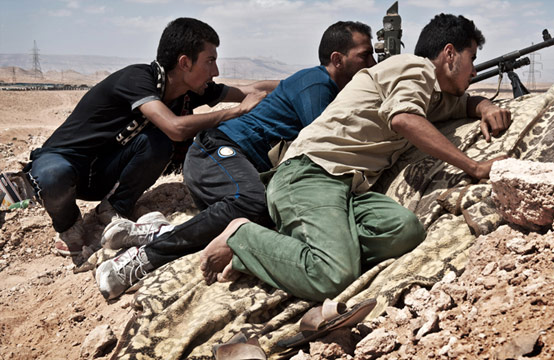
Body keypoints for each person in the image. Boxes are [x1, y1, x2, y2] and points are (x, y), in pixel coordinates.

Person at [195, 13, 512, 302]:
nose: (473, 70)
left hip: (348, 188)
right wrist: (475, 167)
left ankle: (281, 249)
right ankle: (243, 236)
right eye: (472, 59)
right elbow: (404, 118)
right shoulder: (415, 70)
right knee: (333, 278)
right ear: (449, 54)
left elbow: (465, 104)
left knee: (405, 230)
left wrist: (485, 106)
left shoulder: (434, 94)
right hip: (311, 173)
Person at [95, 21, 377, 300]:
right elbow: (324, 147)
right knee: (253, 199)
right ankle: (144, 258)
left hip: (228, 172)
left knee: (269, 214)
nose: (372, 61)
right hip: (215, 152)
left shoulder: (315, 83)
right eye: (365, 54)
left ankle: (159, 232)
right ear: (337, 60)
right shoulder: (318, 84)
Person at [25, 18, 277, 257]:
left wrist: (306, 79)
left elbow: (251, 90)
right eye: (209, 61)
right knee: (53, 175)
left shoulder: (189, 90)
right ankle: (68, 226)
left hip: (103, 172)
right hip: (64, 164)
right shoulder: (137, 79)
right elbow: (176, 127)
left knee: (157, 143)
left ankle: (113, 208)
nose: (216, 71)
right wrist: (234, 112)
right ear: (185, 63)